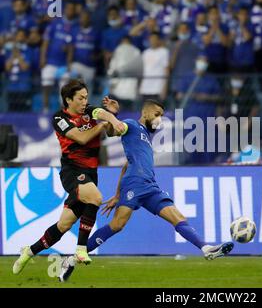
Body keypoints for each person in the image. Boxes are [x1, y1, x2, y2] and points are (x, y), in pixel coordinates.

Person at [58, 99, 234, 282]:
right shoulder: (132, 125)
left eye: (162, 116)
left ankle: (207, 249)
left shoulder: (146, 138)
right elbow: (113, 131)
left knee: (178, 218)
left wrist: (117, 194)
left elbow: (127, 164)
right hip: (134, 184)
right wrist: (113, 116)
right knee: (117, 225)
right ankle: (71, 259)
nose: (159, 120)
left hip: (150, 186)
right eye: (157, 115)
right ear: (146, 113)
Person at [12, 79, 126, 275]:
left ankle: (29, 251)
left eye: (86, 98)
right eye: (81, 98)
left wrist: (113, 117)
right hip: (72, 171)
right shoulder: (59, 118)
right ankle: (81, 249)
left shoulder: (90, 111)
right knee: (96, 198)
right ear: (68, 100)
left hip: (90, 173)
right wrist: (103, 125)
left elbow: (109, 127)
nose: (85, 102)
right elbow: (81, 137)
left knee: (63, 225)